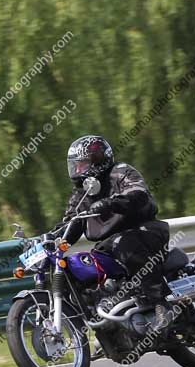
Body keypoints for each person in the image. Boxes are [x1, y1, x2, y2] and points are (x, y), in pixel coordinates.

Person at [49, 135, 172, 329]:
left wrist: (110, 203)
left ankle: (160, 304)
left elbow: (138, 194)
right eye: (75, 165)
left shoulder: (120, 172)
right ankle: (103, 325)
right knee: (86, 265)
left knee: (123, 243)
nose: (77, 170)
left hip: (146, 230)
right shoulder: (81, 193)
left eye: (82, 164)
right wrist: (51, 238)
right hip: (112, 244)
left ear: (98, 160)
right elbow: (71, 223)